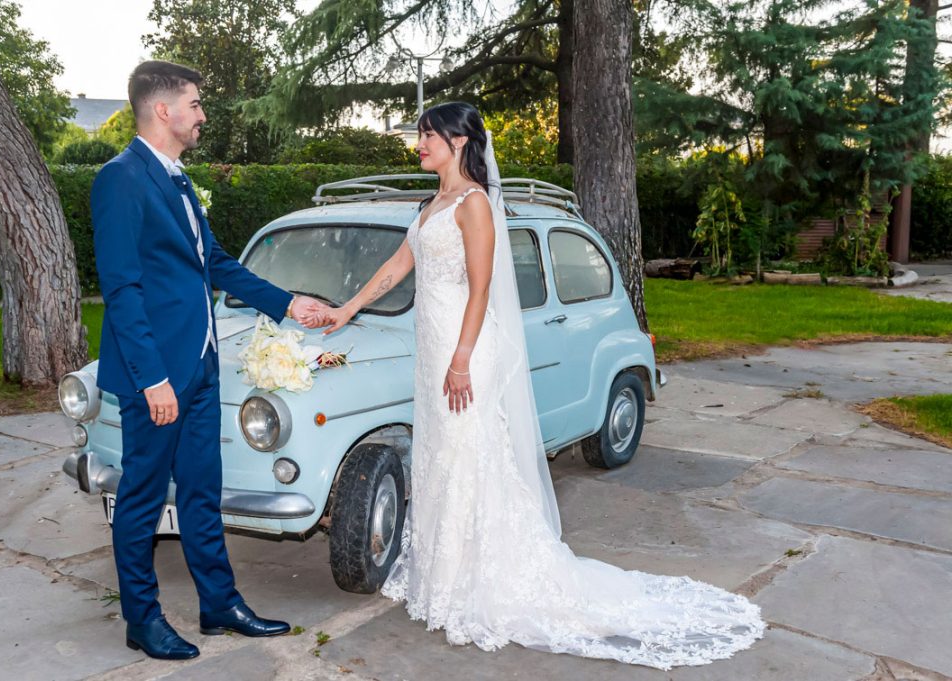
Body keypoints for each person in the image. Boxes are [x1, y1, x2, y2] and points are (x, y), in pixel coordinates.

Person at [319, 102, 765, 670]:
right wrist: (347, 308)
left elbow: (480, 289)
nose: (419, 145)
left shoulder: (475, 204)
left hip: (462, 354)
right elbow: (397, 266)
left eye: (427, 136)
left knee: (466, 455)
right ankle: (443, 579)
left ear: (457, 143)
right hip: (432, 354)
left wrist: (460, 359)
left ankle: (475, 587)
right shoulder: (432, 203)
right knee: (440, 457)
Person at [91, 60, 323, 660]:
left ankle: (219, 605)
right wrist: (153, 380)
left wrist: (288, 302)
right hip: (159, 377)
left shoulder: (179, 180)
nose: (202, 115)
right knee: (143, 496)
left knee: (201, 490)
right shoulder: (120, 180)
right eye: (194, 104)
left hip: (201, 366)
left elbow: (213, 263)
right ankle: (142, 619)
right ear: (163, 110)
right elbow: (122, 291)